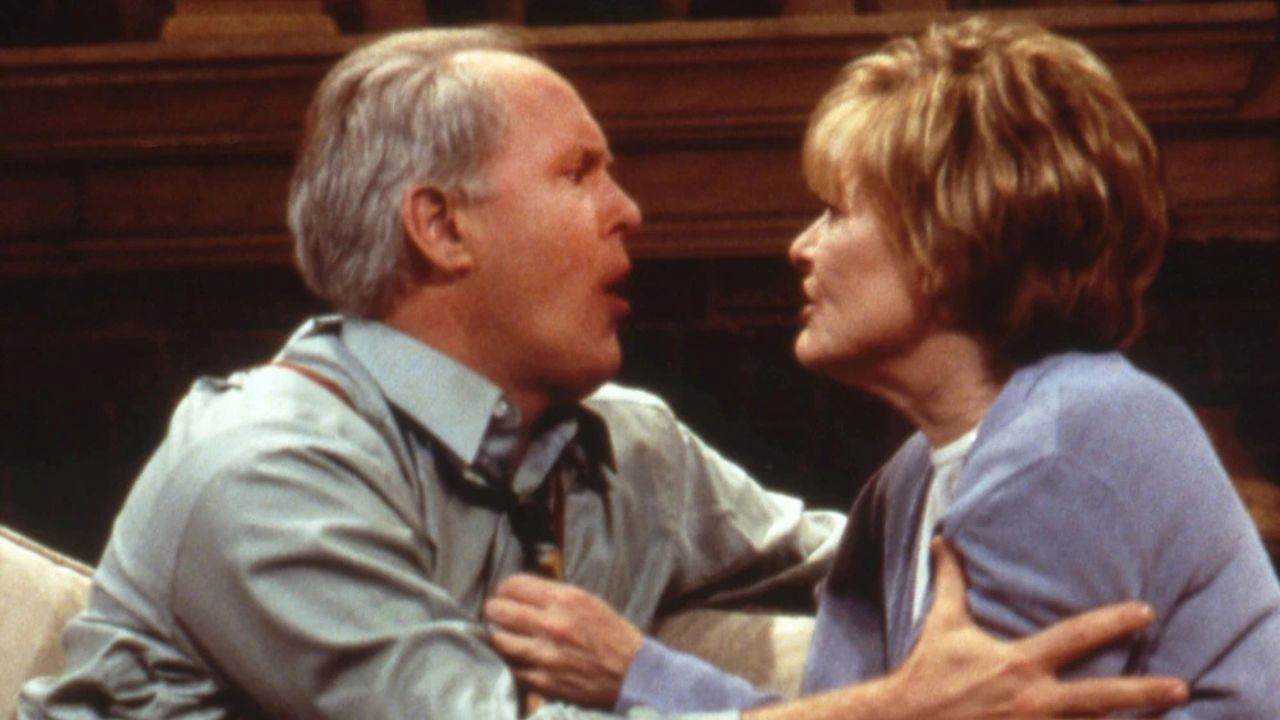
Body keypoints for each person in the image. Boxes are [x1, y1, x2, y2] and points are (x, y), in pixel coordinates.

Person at [21, 25, 1186, 720]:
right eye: (578, 175)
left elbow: (873, 560)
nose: (628, 212)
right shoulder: (263, 467)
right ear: (440, 227)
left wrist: (1159, 539)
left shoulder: (627, 449)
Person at [488, 16, 1280, 719]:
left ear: (949, 240)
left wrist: (641, 676)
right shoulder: (905, 485)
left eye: (837, 211)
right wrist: (639, 674)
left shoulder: (1069, 445)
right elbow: (870, 712)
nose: (801, 247)